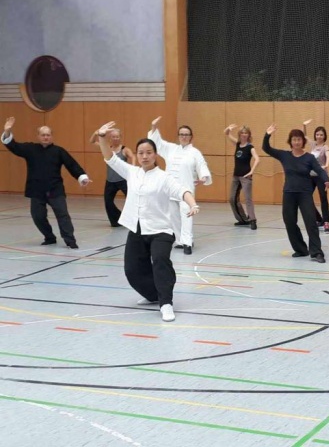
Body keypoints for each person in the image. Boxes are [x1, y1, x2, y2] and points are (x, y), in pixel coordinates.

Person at [96, 121, 199, 321]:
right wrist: (101, 137)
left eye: (149, 152)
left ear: (155, 155)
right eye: (141, 153)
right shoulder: (132, 172)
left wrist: (193, 204)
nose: (144, 156)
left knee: (160, 261)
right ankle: (153, 295)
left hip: (161, 230)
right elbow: (109, 158)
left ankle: (166, 303)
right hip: (137, 228)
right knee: (132, 270)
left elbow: (183, 191)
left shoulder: (164, 177)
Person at [2, 117, 91, 248]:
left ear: (51, 136)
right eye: (43, 135)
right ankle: (49, 237)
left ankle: (70, 240)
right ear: (38, 136)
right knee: (37, 216)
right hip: (36, 190)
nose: (45, 137)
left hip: (55, 189)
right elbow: (14, 146)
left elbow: (72, 165)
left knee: (62, 215)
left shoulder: (59, 151)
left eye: (48, 135)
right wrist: (7, 131)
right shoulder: (30, 149)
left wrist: (82, 177)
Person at [262, 124, 329, 263]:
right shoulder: (284, 155)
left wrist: (327, 180)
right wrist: (267, 135)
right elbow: (266, 148)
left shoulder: (309, 158)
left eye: (299, 139)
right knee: (289, 222)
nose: (296, 142)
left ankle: (316, 252)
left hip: (305, 194)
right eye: (294, 139)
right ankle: (300, 249)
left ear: (303, 141)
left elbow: (319, 170)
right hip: (289, 193)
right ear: (290, 141)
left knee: (311, 222)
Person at [148, 117, 212, 255]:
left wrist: (203, 177)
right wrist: (153, 127)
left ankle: (187, 243)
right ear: (178, 136)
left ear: (191, 137)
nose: (184, 137)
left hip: (186, 190)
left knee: (187, 215)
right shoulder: (171, 149)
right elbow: (157, 143)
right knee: (174, 216)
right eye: (181, 134)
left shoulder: (195, 152)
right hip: (170, 190)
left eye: (186, 135)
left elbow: (202, 165)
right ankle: (180, 241)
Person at [89, 128, 135, 227]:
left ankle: (134, 220)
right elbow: (92, 141)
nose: (115, 138)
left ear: (120, 138)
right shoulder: (107, 149)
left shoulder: (125, 149)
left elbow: (133, 157)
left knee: (132, 200)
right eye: (113, 137)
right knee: (108, 202)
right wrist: (95, 133)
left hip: (123, 180)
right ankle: (117, 220)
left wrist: (133, 168)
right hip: (110, 181)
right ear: (110, 138)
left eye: (117, 137)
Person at [224, 123, 260, 230]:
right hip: (236, 176)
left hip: (246, 176)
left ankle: (252, 220)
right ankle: (243, 219)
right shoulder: (237, 144)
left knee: (248, 199)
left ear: (249, 135)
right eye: (242, 133)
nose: (244, 134)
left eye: (246, 133)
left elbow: (257, 159)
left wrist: (251, 171)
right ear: (240, 134)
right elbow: (226, 133)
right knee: (232, 199)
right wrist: (228, 129)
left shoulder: (250, 147)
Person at [302, 119, 329, 233]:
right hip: (311, 175)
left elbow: (328, 156)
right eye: (317, 134)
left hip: (321, 176)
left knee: (323, 198)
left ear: (324, 136)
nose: (319, 136)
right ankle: (319, 219)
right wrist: (304, 125)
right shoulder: (313, 144)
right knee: (306, 197)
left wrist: (326, 165)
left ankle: (326, 222)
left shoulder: (325, 147)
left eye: (321, 135)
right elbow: (304, 136)